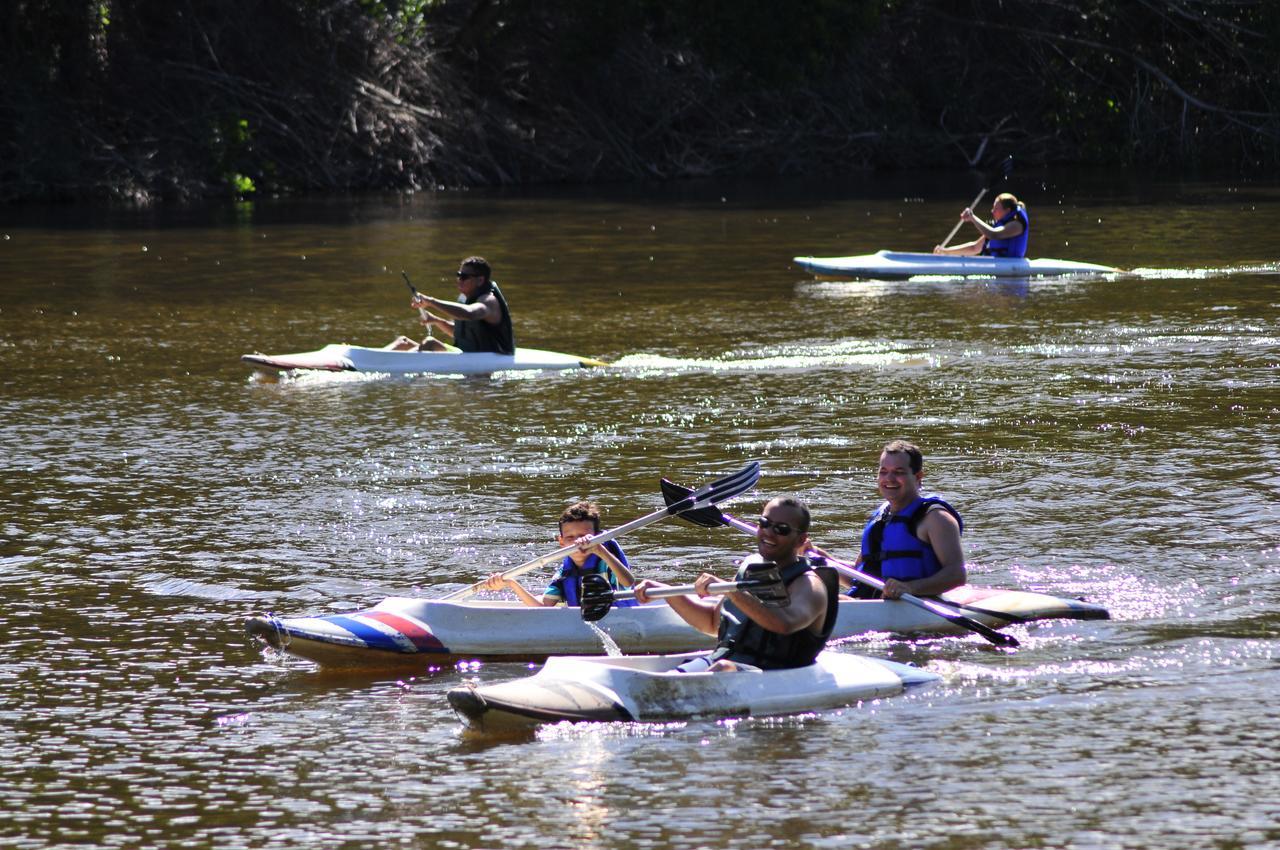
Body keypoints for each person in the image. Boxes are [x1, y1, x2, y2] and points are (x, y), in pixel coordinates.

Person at [632, 496, 838, 672]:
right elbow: (712, 623)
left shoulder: (810, 586)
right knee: (714, 667)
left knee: (723, 668)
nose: (769, 532)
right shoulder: (750, 567)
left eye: (781, 529)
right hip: (725, 662)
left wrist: (730, 590)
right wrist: (667, 592)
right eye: (764, 523)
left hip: (774, 673)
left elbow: (784, 624)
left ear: (801, 540)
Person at [843, 440, 967, 601]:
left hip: (916, 605)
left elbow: (956, 575)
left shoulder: (935, 518)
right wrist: (820, 558)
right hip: (871, 603)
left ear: (918, 477)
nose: (889, 478)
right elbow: (859, 574)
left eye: (899, 472)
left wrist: (909, 588)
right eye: (884, 471)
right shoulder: (881, 517)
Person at [483, 501, 636, 608]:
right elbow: (543, 606)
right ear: (561, 541)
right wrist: (511, 583)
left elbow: (628, 582)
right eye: (570, 538)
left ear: (597, 536)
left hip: (623, 618)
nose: (578, 542)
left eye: (584, 536)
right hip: (587, 624)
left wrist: (600, 550)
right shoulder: (565, 572)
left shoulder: (606, 556)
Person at [386, 256, 515, 353]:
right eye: (458, 275)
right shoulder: (466, 298)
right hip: (465, 355)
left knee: (430, 343)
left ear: (480, 280)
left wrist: (430, 301)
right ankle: (375, 359)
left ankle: (390, 366)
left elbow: (470, 314)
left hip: (489, 357)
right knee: (403, 341)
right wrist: (436, 321)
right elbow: (461, 333)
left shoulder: (489, 301)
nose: (459, 280)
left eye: (464, 277)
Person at [933, 193, 1029, 258]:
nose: (992, 211)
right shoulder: (998, 226)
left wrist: (972, 218)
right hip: (997, 265)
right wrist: (945, 251)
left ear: (1007, 210)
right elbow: (974, 247)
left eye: (996, 208)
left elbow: (993, 234)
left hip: (1012, 266)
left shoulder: (1017, 226)